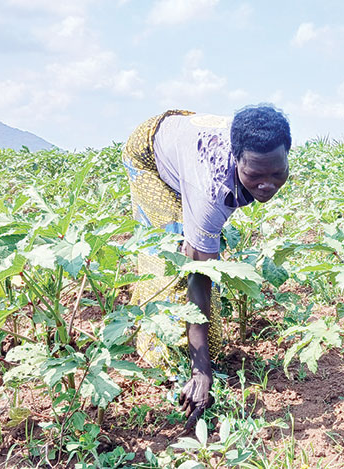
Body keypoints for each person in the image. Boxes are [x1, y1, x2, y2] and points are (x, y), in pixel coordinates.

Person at [121, 105, 291, 433]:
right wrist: (202, 371)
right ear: (236, 159)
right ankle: (164, 367)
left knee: (199, 247)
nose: (267, 184)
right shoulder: (209, 189)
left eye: (276, 173)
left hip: (185, 138)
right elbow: (200, 275)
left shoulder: (261, 150)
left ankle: (188, 357)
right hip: (149, 155)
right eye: (255, 175)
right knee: (170, 263)